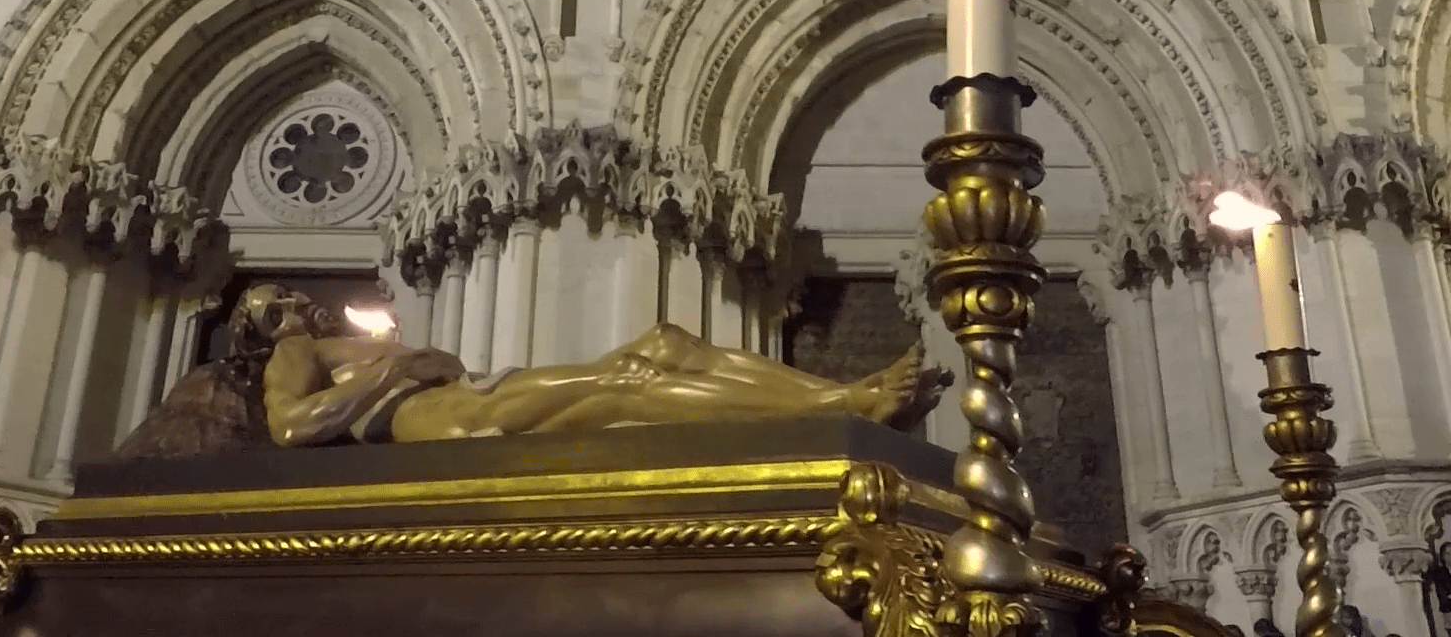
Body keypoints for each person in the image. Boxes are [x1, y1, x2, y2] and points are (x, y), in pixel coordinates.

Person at [145, 285, 944, 450]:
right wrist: (398, 371)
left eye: (290, 295)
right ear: (258, 337)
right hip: (441, 422)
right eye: (273, 308)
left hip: (465, 389)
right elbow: (291, 428)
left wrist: (411, 358)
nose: (295, 305)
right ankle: (840, 414)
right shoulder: (295, 358)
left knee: (664, 345)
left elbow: (443, 361)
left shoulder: (350, 343)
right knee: (621, 387)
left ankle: (848, 397)